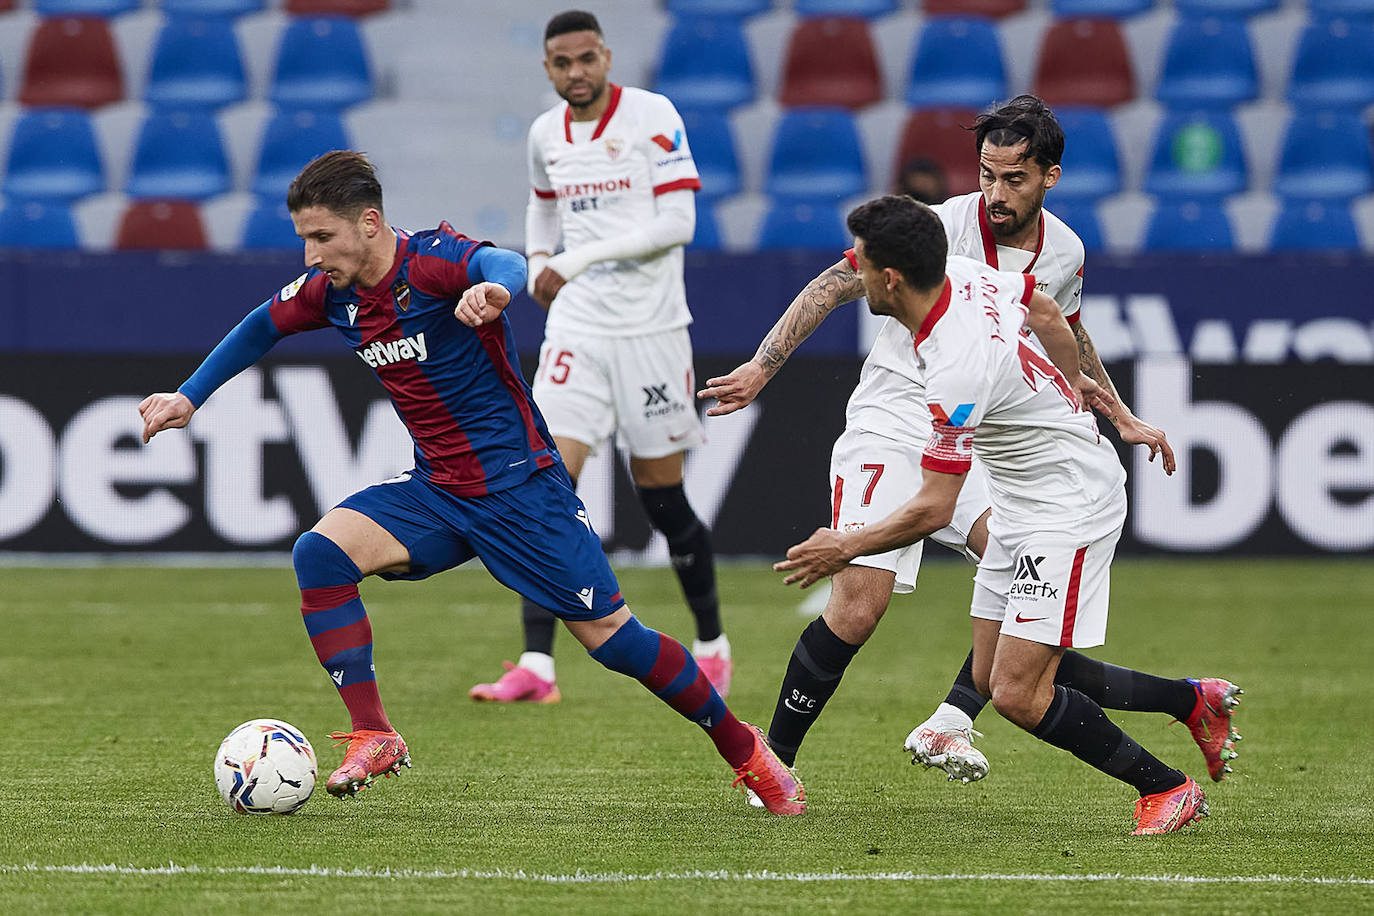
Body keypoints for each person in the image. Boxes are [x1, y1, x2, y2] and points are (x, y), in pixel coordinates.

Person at [138, 151, 804, 815]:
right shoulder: (331, 294)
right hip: (438, 490)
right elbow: (261, 325)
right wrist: (190, 397)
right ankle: (374, 732)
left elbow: (501, 262)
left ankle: (746, 750)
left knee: (614, 642)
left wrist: (497, 290)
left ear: (369, 223)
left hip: (521, 489)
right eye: (304, 239)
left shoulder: (430, 261)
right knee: (320, 554)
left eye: (322, 237)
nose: (311, 256)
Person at [700, 95, 1239, 790]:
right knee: (860, 604)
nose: (994, 193)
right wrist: (761, 367)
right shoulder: (938, 225)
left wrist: (1116, 412)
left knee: (1023, 600)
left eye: (1013, 178)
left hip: (976, 430)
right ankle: (774, 764)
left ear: (1050, 175)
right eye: (986, 174)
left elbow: (1062, 331)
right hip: (894, 419)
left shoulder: (1065, 250)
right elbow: (839, 281)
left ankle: (1154, 702)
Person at [777, 194, 1220, 834]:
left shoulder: (954, 372)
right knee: (991, 673)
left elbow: (934, 507)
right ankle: (1189, 703)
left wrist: (846, 545)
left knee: (1015, 692)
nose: (856, 275)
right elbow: (1043, 307)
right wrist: (1071, 392)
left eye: (863, 266)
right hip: (1022, 496)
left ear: (891, 279)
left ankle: (1166, 788)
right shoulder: (963, 273)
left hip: (1066, 506)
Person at [469, 9, 731, 705]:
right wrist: (542, 260)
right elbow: (543, 206)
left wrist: (574, 258)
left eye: (587, 59)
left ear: (607, 57)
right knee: (542, 489)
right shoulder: (545, 133)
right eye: (562, 63)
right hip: (577, 332)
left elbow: (679, 222)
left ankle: (711, 645)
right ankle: (537, 665)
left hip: (651, 331)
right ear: (548, 67)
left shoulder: (652, 114)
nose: (576, 73)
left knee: (662, 499)